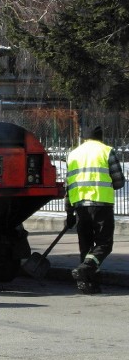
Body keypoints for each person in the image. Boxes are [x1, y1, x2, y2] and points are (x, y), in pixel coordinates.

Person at [66, 126, 125, 294]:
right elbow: (119, 181)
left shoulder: (73, 154)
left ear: (84, 138)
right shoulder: (106, 151)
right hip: (101, 204)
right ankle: (85, 268)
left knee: (86, 245)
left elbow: (68, 185)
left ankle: (86, 284)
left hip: (80, 206)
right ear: (100, 137)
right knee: (104, 244)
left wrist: (69, 213)